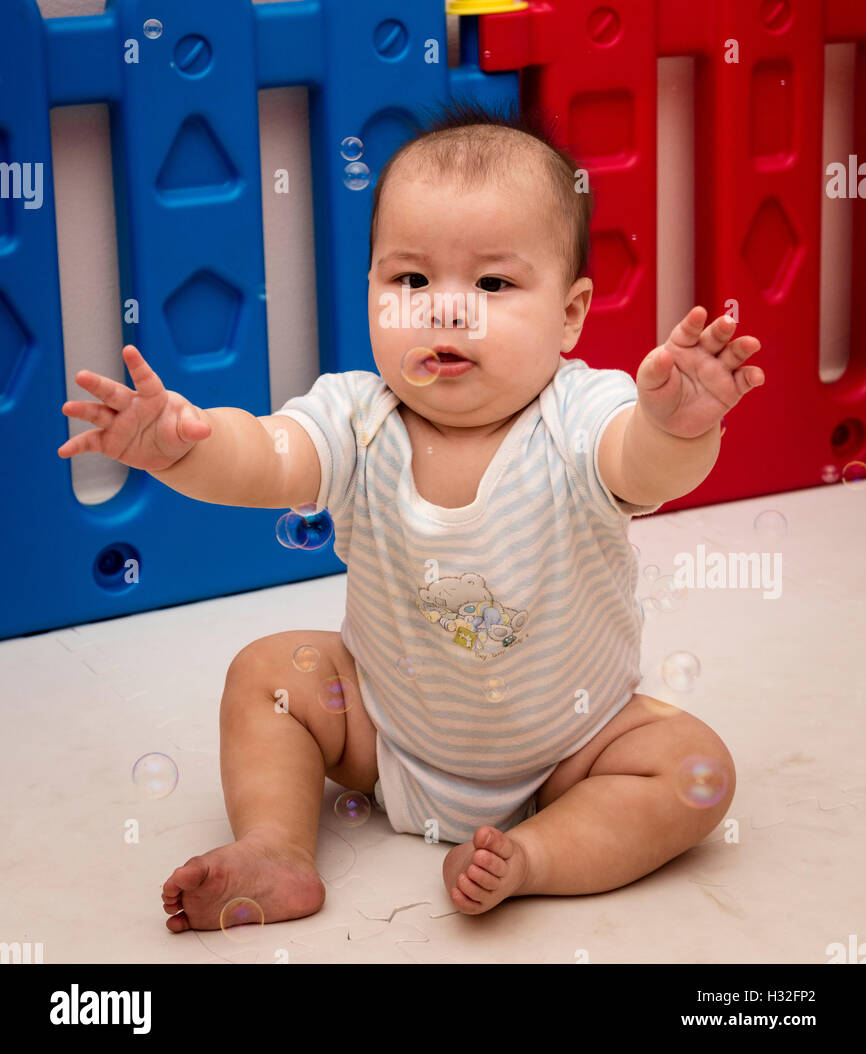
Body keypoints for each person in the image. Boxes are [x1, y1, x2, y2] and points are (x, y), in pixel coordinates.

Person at [57, 99, 764, 925]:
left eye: (493, 283)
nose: (446, 309)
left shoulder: (581, 415)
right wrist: (185, 448)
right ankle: (277, 848)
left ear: (570, 315)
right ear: (372, 294)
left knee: (690, 766)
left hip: (573, 750)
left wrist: (677, 426)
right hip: (385, 735)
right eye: (411, 279)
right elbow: (267, 457)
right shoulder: (357, 417)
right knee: (267, 675)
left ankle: (533, 854)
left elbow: (643, 465)